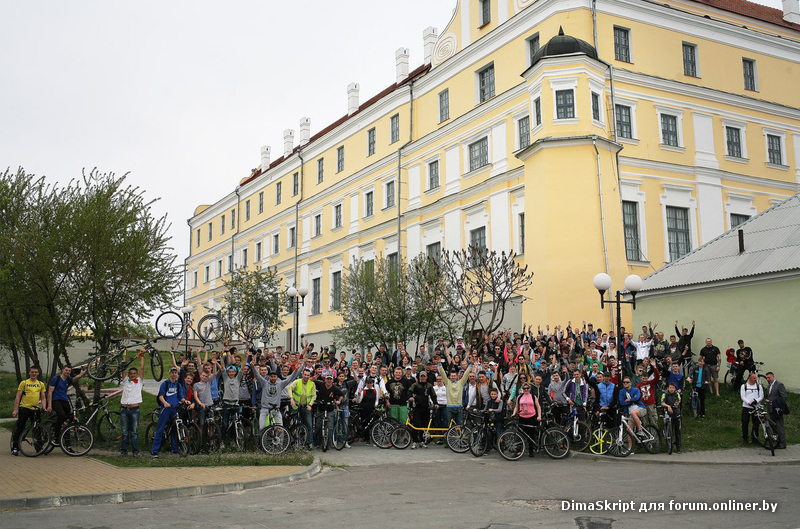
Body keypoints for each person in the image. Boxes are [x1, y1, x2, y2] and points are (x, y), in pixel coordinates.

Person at [106, 355, 145, 456]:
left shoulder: (139, 381)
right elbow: (123, 369)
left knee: (134, 432)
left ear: (137, 374)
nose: (132, 375)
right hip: (124, 409)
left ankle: (135, 452)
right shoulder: (126, 381)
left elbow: (142, 368)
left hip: (135, 409)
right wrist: (124, 359)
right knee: (124, 432)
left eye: (134, 373)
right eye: (130, 373)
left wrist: (142, 357)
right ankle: (124, 451)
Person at [11, 365, 47, 456]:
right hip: (25, 408)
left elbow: (43, 397)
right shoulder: (24, 383)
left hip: (35, 409)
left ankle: (38, 447)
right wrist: (15, 410)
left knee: (37, 428)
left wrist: (44, 407)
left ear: (38, 373)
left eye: (35, 372)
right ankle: (15, 447)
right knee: (20, 427)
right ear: (29, 373)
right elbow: (18, 396)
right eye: (32, 372)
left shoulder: (40, 384)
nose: (34, 374)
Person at [47, 363, 86, 446]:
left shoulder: (68, 380)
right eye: (66, 370)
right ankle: (56, 436)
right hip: (56, 400)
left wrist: (83, 372)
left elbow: (77, 378)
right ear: (62, 370)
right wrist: (49, 405)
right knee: (61, 415)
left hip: (65, 401)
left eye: (69, 371)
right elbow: (50, 392)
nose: (67, 372)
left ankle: (64, 434)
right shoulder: (56, 379)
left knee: (68, 419)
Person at [252, 364, 301, 429]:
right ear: (269, 377)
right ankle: (263, 438)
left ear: (277, 377)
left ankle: (279, 439)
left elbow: (291, 378)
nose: (273, 378)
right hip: (265, 409)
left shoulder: (280, 384)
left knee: (280, 428)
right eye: (271, 376)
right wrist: (253, 366)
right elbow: (257, 375)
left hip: (276, 409)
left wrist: (296, 370)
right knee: (262, 427)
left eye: (274, 376)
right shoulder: (264, 383)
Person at [151, 366, 186, 457]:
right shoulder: (165, 384)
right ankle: (155, 451)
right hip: (166, 409)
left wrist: (185, 401)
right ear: (170, 374)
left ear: (177, 375)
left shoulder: (178, 385)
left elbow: (181, 397)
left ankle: (175, 449)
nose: (174, 375)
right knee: (161, 428)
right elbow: (161, 396)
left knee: (175, 429)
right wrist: (165, 403)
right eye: (172, 373)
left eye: (175, 373)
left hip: (174, 408)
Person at [287, 368, 317, 448]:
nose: (306, 376)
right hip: (296, 406)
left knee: (309, 425)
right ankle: (291, 441)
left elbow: (314, 395)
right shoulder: (297, 381)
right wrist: (291, 398)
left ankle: (310, 443)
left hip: (306, 407)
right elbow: (289, 388)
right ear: (302, 374)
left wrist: (310, 405)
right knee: (293, 424)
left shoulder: (312, 383)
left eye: (308, 375)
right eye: (305, 375)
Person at [407, 371, 438, 448]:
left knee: (424, 425)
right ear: (419, 377)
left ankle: (421, 441)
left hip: (426, 408)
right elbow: (409, 391)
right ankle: (414, 441)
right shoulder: (415, 385)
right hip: (417, 407)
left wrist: (436, 403)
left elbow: (433, 395)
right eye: (421, 376)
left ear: (426, 377)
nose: (423, 377)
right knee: (416, 425)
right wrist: (410, 397)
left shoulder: (429, 385)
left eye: (424, 376)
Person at [513, 383, 541, 457]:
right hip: (522, 417)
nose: (526, 390)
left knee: (531, 435)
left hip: (531, 417)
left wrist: (539, 416)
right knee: (520, 435)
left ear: (530, 389)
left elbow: (538, 407)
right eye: (524, 388)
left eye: (527, 388)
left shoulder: (533, 397)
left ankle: (531, 451)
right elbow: (516, 407)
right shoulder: (519, 397)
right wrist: (514, 413)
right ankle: (519, 451)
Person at [315, 375, 343, 449]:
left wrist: (338, 401)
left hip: (330, 408)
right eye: (327, 379)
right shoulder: (320, 384)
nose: (329, 381)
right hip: (321, 407)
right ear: (325, 379)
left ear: (332, 380)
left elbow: (341, 395)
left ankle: (329, 443)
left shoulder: (334, 388)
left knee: (330, 427)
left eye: (330, 379)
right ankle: (317, 443)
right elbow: (312, 381)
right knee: (318, 426)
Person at [765, 372, 788, 449]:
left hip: (777, 409)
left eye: (769, 377)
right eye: (767, 378)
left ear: (773, 377)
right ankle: (776, 441)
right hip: (771, 409)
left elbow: (784, 397)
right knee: (773, 425)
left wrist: (777, 404)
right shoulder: (768, 386)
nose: (768, 379)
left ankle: (782, 443)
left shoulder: (779, 385)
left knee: (779, 425)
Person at [740, 372, 764, 444]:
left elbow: (761, 396)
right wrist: (748, 402)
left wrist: (756, 401)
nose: (755, 379)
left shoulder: (759, 386)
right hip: (746, 407)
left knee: (756, 423)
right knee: (745, 422)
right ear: (750, 378)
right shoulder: (744, 386)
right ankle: (745, 438)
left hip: (756, 407)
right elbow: (742, 396)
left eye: (756, 378)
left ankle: (755, 437)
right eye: (754, 378)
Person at [660, 382, 682, 452]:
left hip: (676, 414)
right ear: (668, 388)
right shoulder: (665, 394)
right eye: (670, 387)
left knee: (677, 431)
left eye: (673, 388)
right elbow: (662, 402)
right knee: (669, 430)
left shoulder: (677, 394)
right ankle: (669, 446)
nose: (671, 389)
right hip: (668, 414)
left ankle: (678, 447)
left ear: (675, 388)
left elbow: (679, 400)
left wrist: (677, 403)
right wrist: (668, 406)